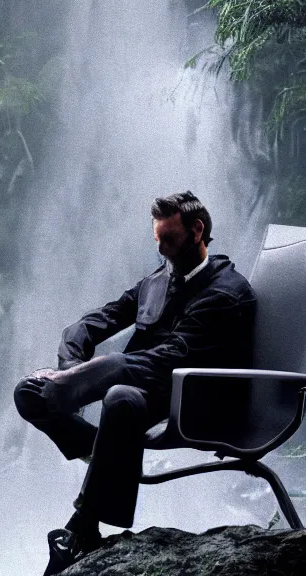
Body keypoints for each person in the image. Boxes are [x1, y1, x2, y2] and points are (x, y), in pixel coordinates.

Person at [13, 191, 256, 576]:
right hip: (140, 394)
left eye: (169, 240)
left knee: (120, 397)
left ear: (198, 230)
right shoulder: (157, 279)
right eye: (156, 239)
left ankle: (83, 527)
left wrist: (95, 373)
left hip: (193, 400)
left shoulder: (228, 292)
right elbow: (97, 320)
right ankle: (111, 454)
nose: (161, 249)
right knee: (30, 390)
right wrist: (71, 363)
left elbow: (175, 356)